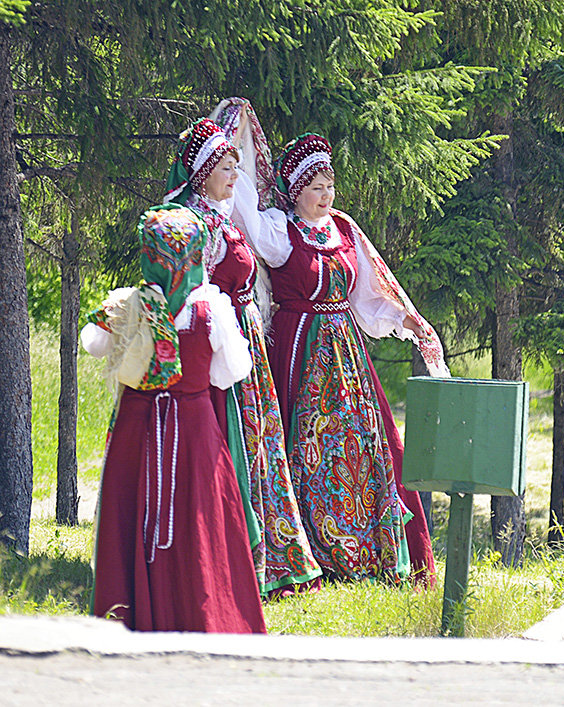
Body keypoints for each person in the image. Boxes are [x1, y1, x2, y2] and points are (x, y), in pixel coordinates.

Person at [230, 129, 449, 585]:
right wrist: (235, 140)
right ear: (296, 191)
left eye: (329, 186)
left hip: (348, 353)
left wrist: (406, 320)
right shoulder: (279, 230)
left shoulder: (345, 228)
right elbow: (244, 211)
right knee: (305, 447)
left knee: (367, 445)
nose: (325, 195)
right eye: (315, 187)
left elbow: (370, 287)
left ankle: (376, 555)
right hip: (299, 347)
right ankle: (314, 552)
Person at [85, 205, 266, 633]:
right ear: (197, 255)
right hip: (194, 429)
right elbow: (233, 371)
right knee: (200, 520)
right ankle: (203, 614)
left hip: (138, 428)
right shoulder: (211, 308)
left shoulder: (129, 302)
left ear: (150, 253)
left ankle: (127, 614)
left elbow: (92, 344)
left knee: (133, 512)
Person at [165, 113, 323, 596]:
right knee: (232, 439)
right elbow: (189, 291)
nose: (235, 176)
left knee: (259, 442)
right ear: (202, 173)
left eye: (236, 165)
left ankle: (273, 549)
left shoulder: (223, 217)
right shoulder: (194, 223)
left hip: (244, 338)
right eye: (226, 167)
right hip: (218, 346)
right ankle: (237, 554)